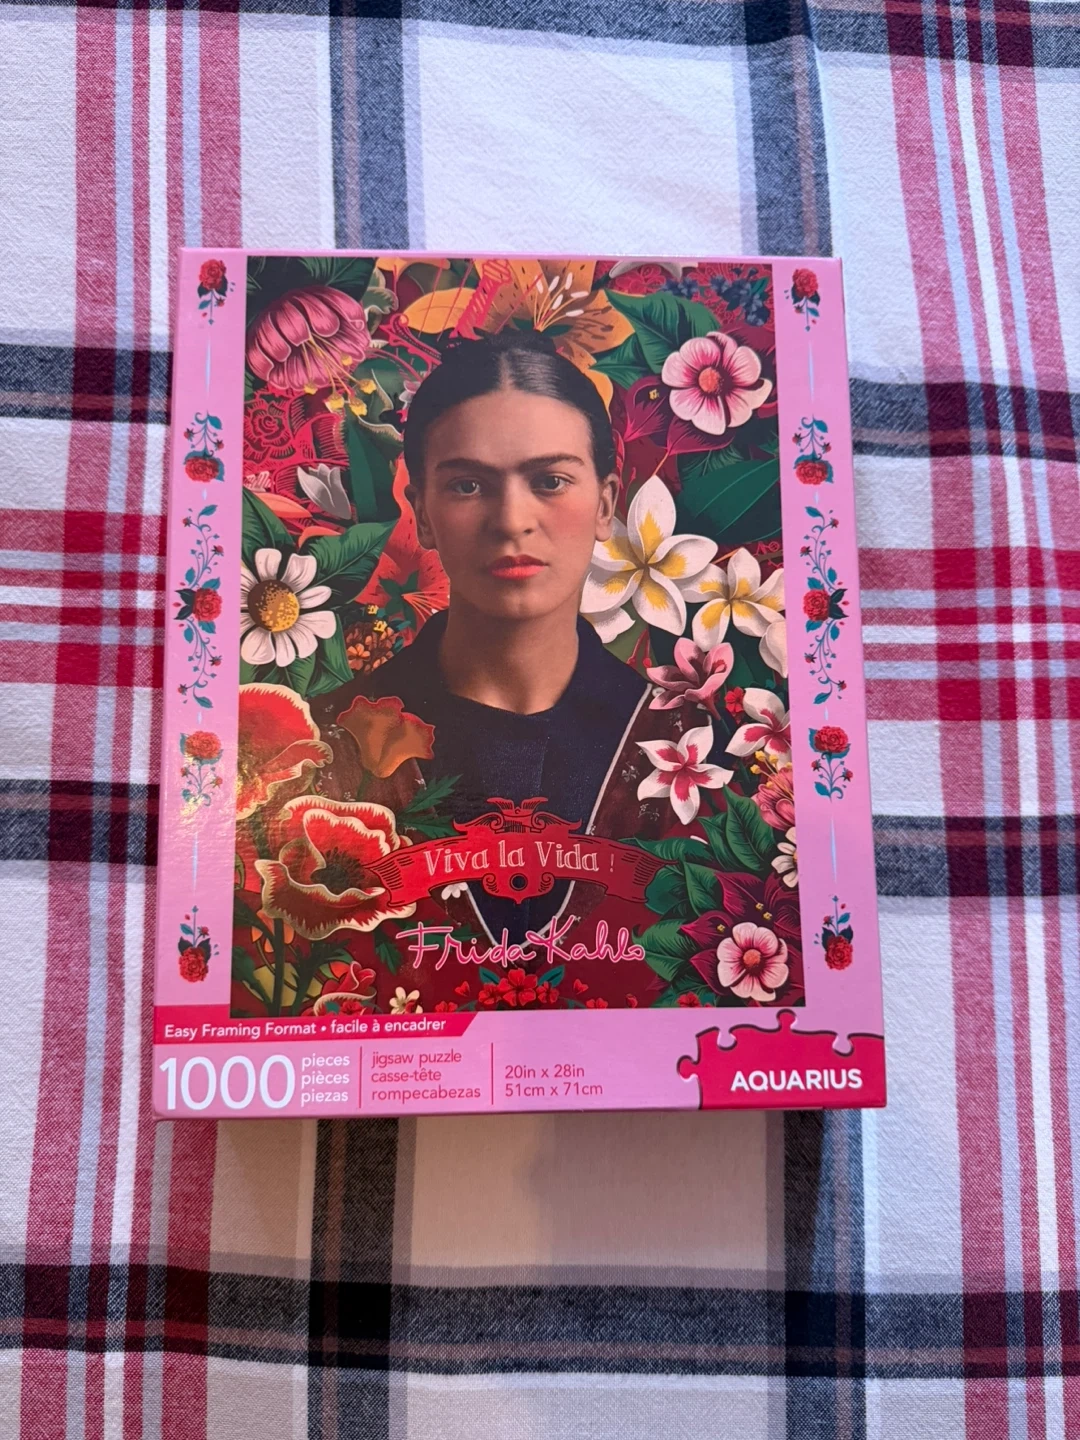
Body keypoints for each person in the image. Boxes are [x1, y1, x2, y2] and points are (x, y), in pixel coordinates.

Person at [364, 331, 648, 941]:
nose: (512, 521)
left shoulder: (685, 744)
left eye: (550, 481)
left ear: (606, 504)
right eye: (468, 485)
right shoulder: (332, 739)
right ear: (422, 514)